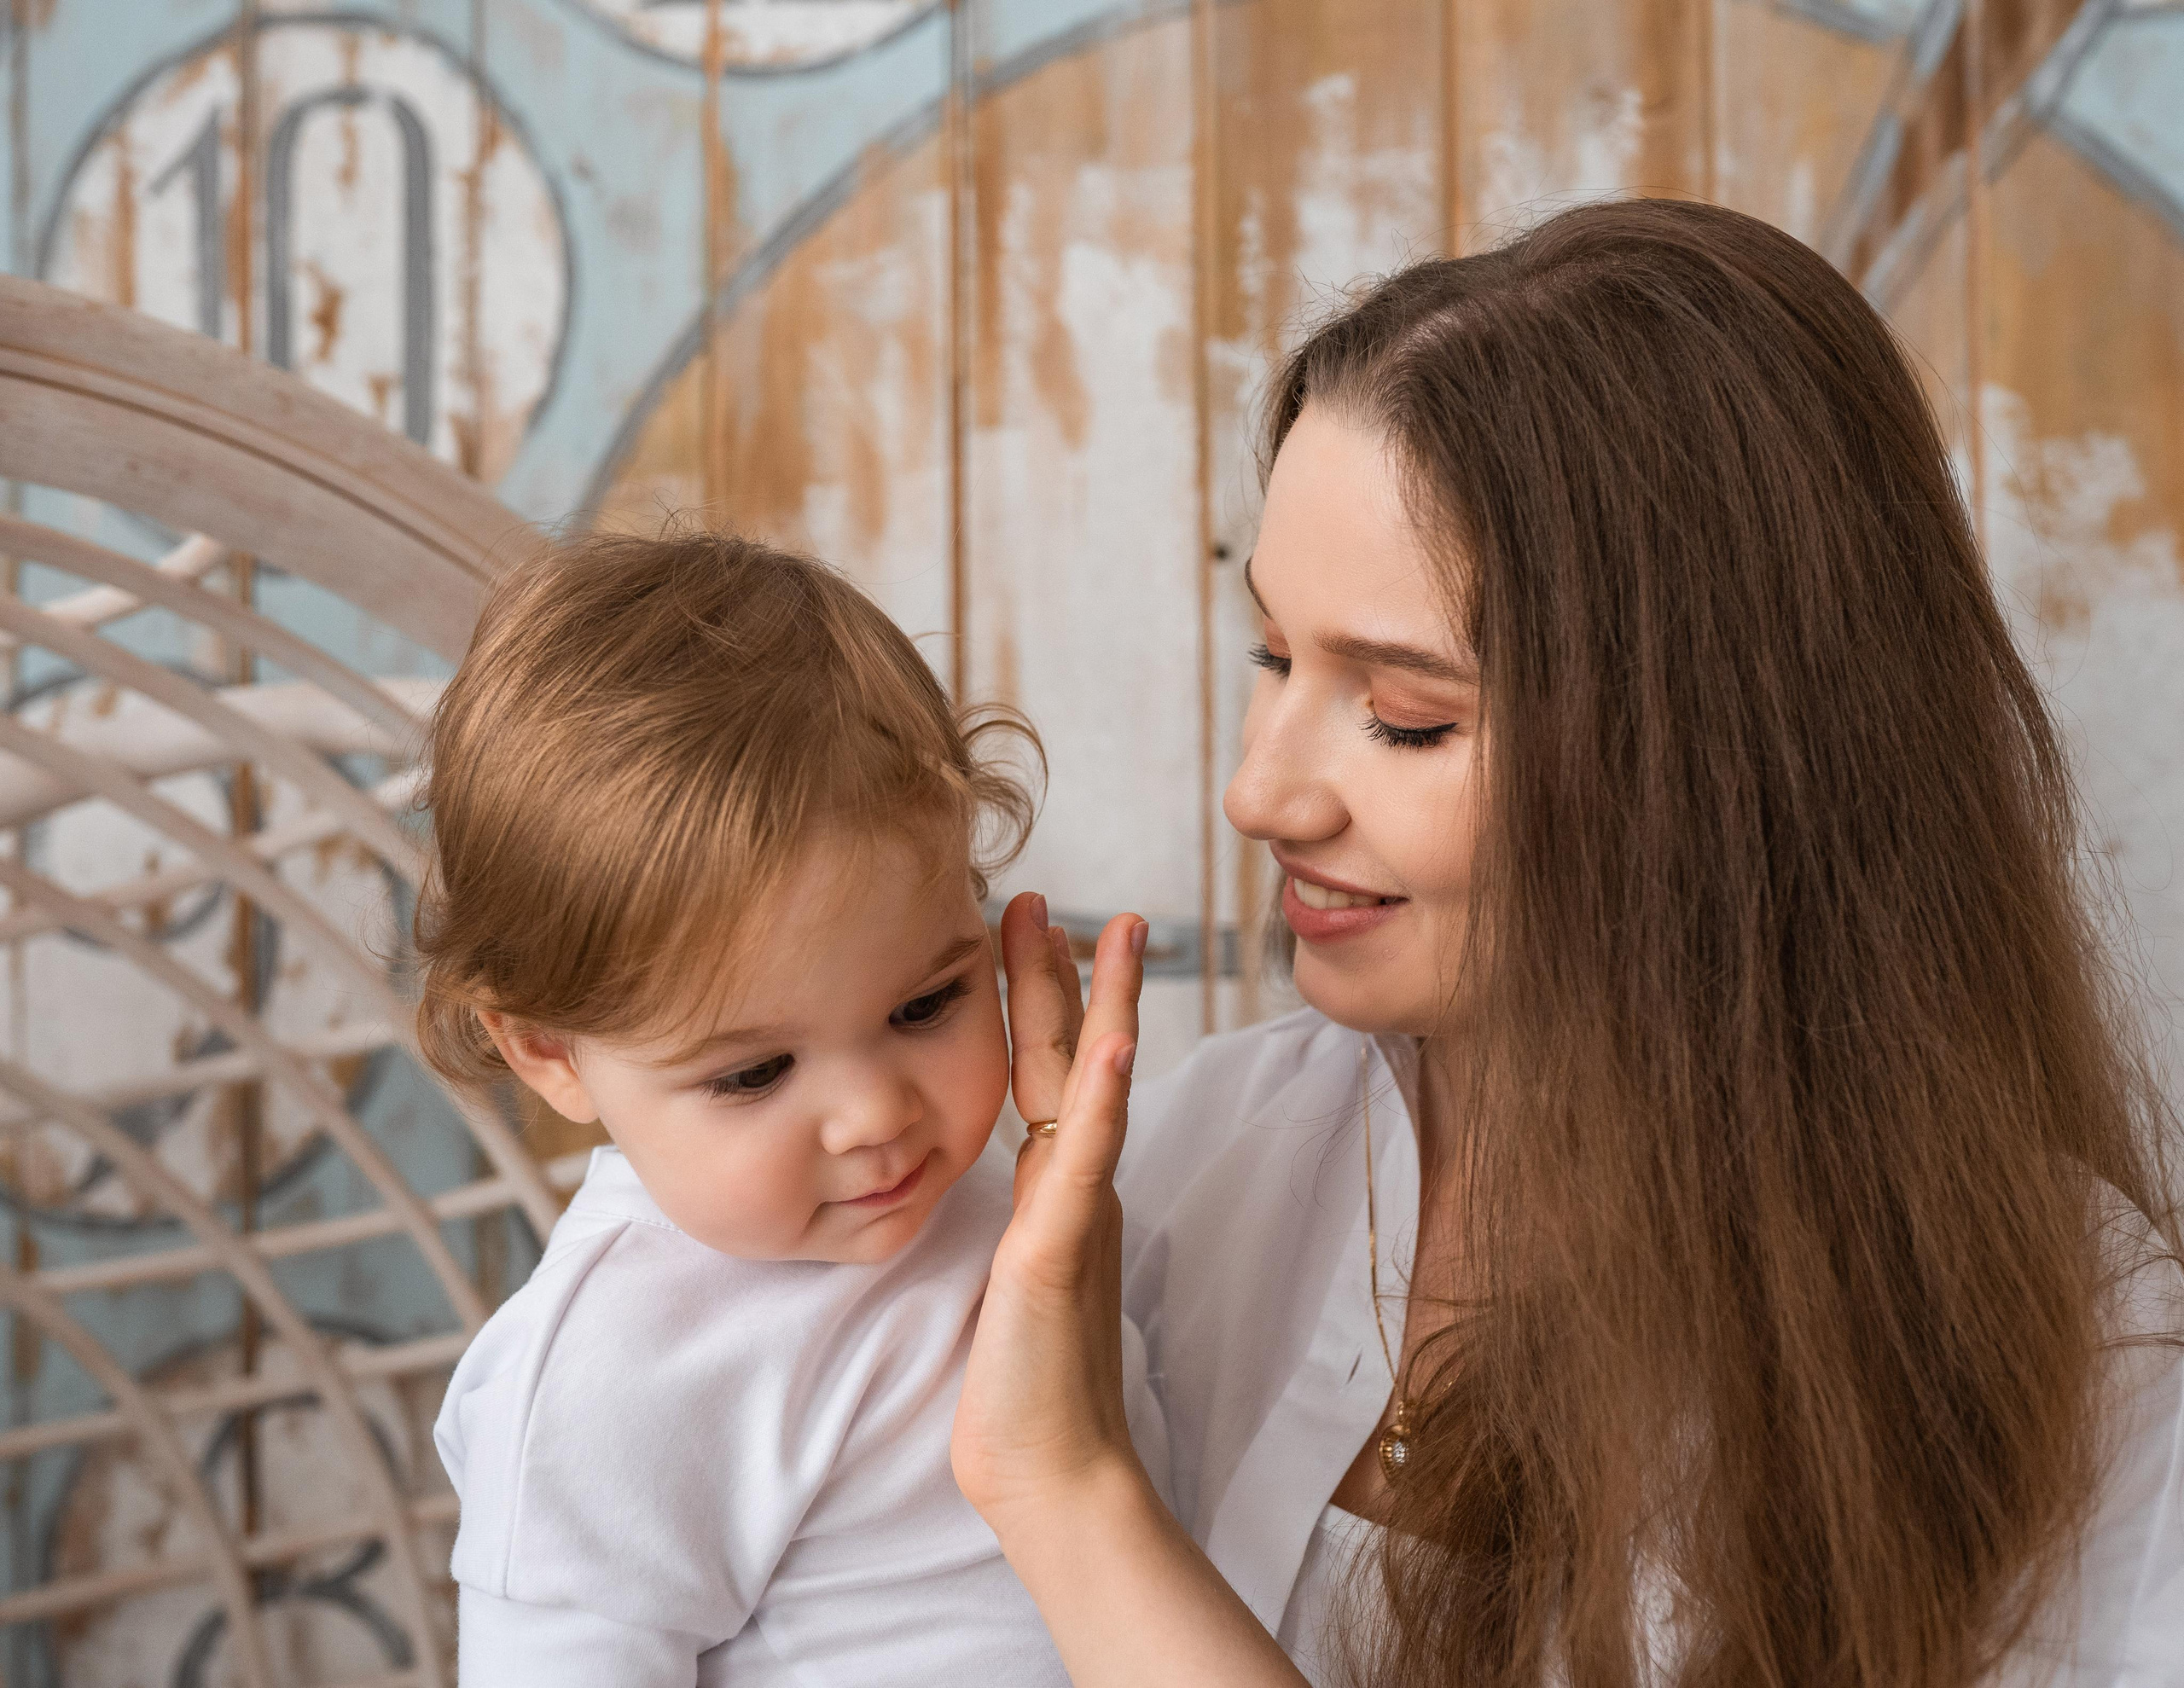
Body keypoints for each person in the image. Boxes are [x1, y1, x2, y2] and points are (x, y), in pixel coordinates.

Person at [952, 198, 2184, 1688]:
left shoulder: (2076, 1366)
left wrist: (1072, 1496)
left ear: (1720, 762)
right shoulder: (1171, 1174)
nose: (1257, 791)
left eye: (1408, 716)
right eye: (1274, 654)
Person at [416, 532, 1165, 1684]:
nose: (875, 1112)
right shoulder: (613, 1378)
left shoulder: (1005, 1195)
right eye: (754, 1074)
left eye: (926, 1004)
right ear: (548, 1049)